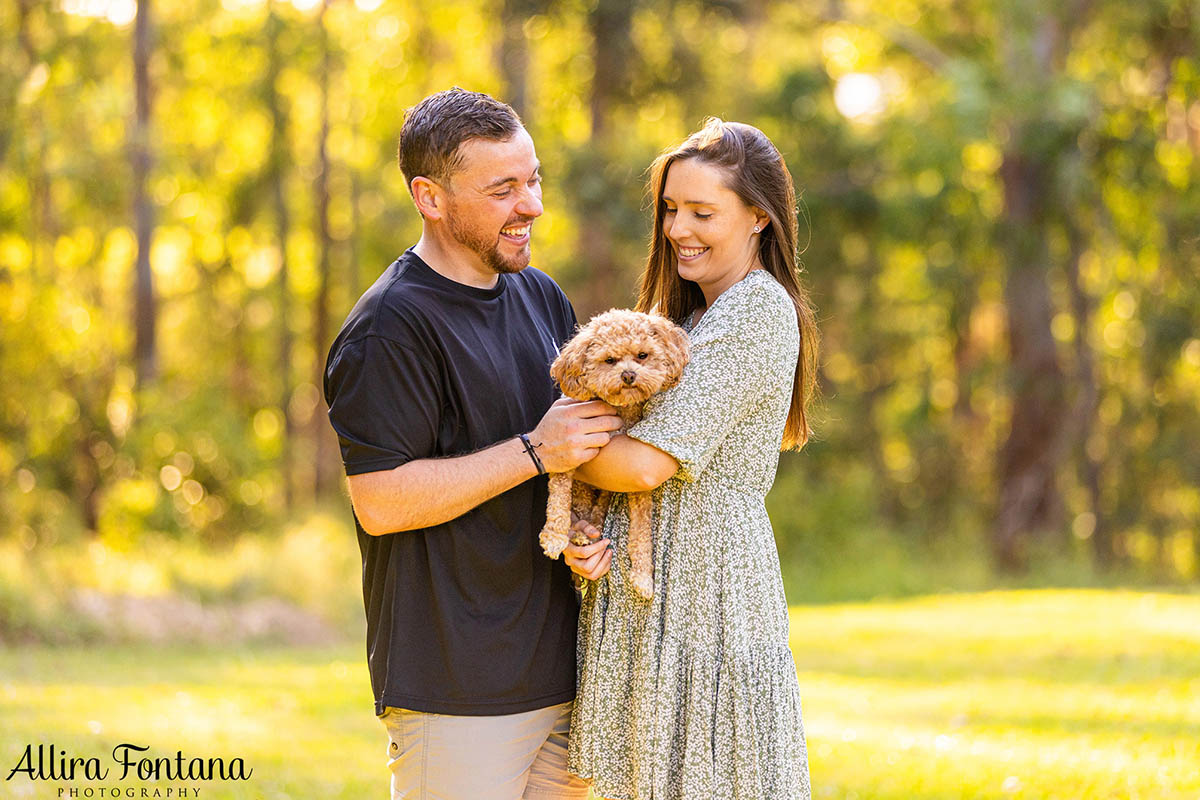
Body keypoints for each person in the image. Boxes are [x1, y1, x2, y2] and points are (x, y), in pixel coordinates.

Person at [323, 88, 620, 800]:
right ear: (430, 196)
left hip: (563, 673)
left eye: (534, 179)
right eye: (504, 189)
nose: (533, 206)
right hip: (454, 693)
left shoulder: (541, 297)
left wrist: (583, 530)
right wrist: (532, 451)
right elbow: (381, 502)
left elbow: (567, 458)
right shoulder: (389, 328)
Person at [566, 118, 820, 800]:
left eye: (703, 213)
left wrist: (548, 447)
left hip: (708, 587)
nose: (679, 229)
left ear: (760, 219)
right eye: (672, 209)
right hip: (661, 582)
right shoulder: (695, 316)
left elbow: (643, 464)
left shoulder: (757, 312)